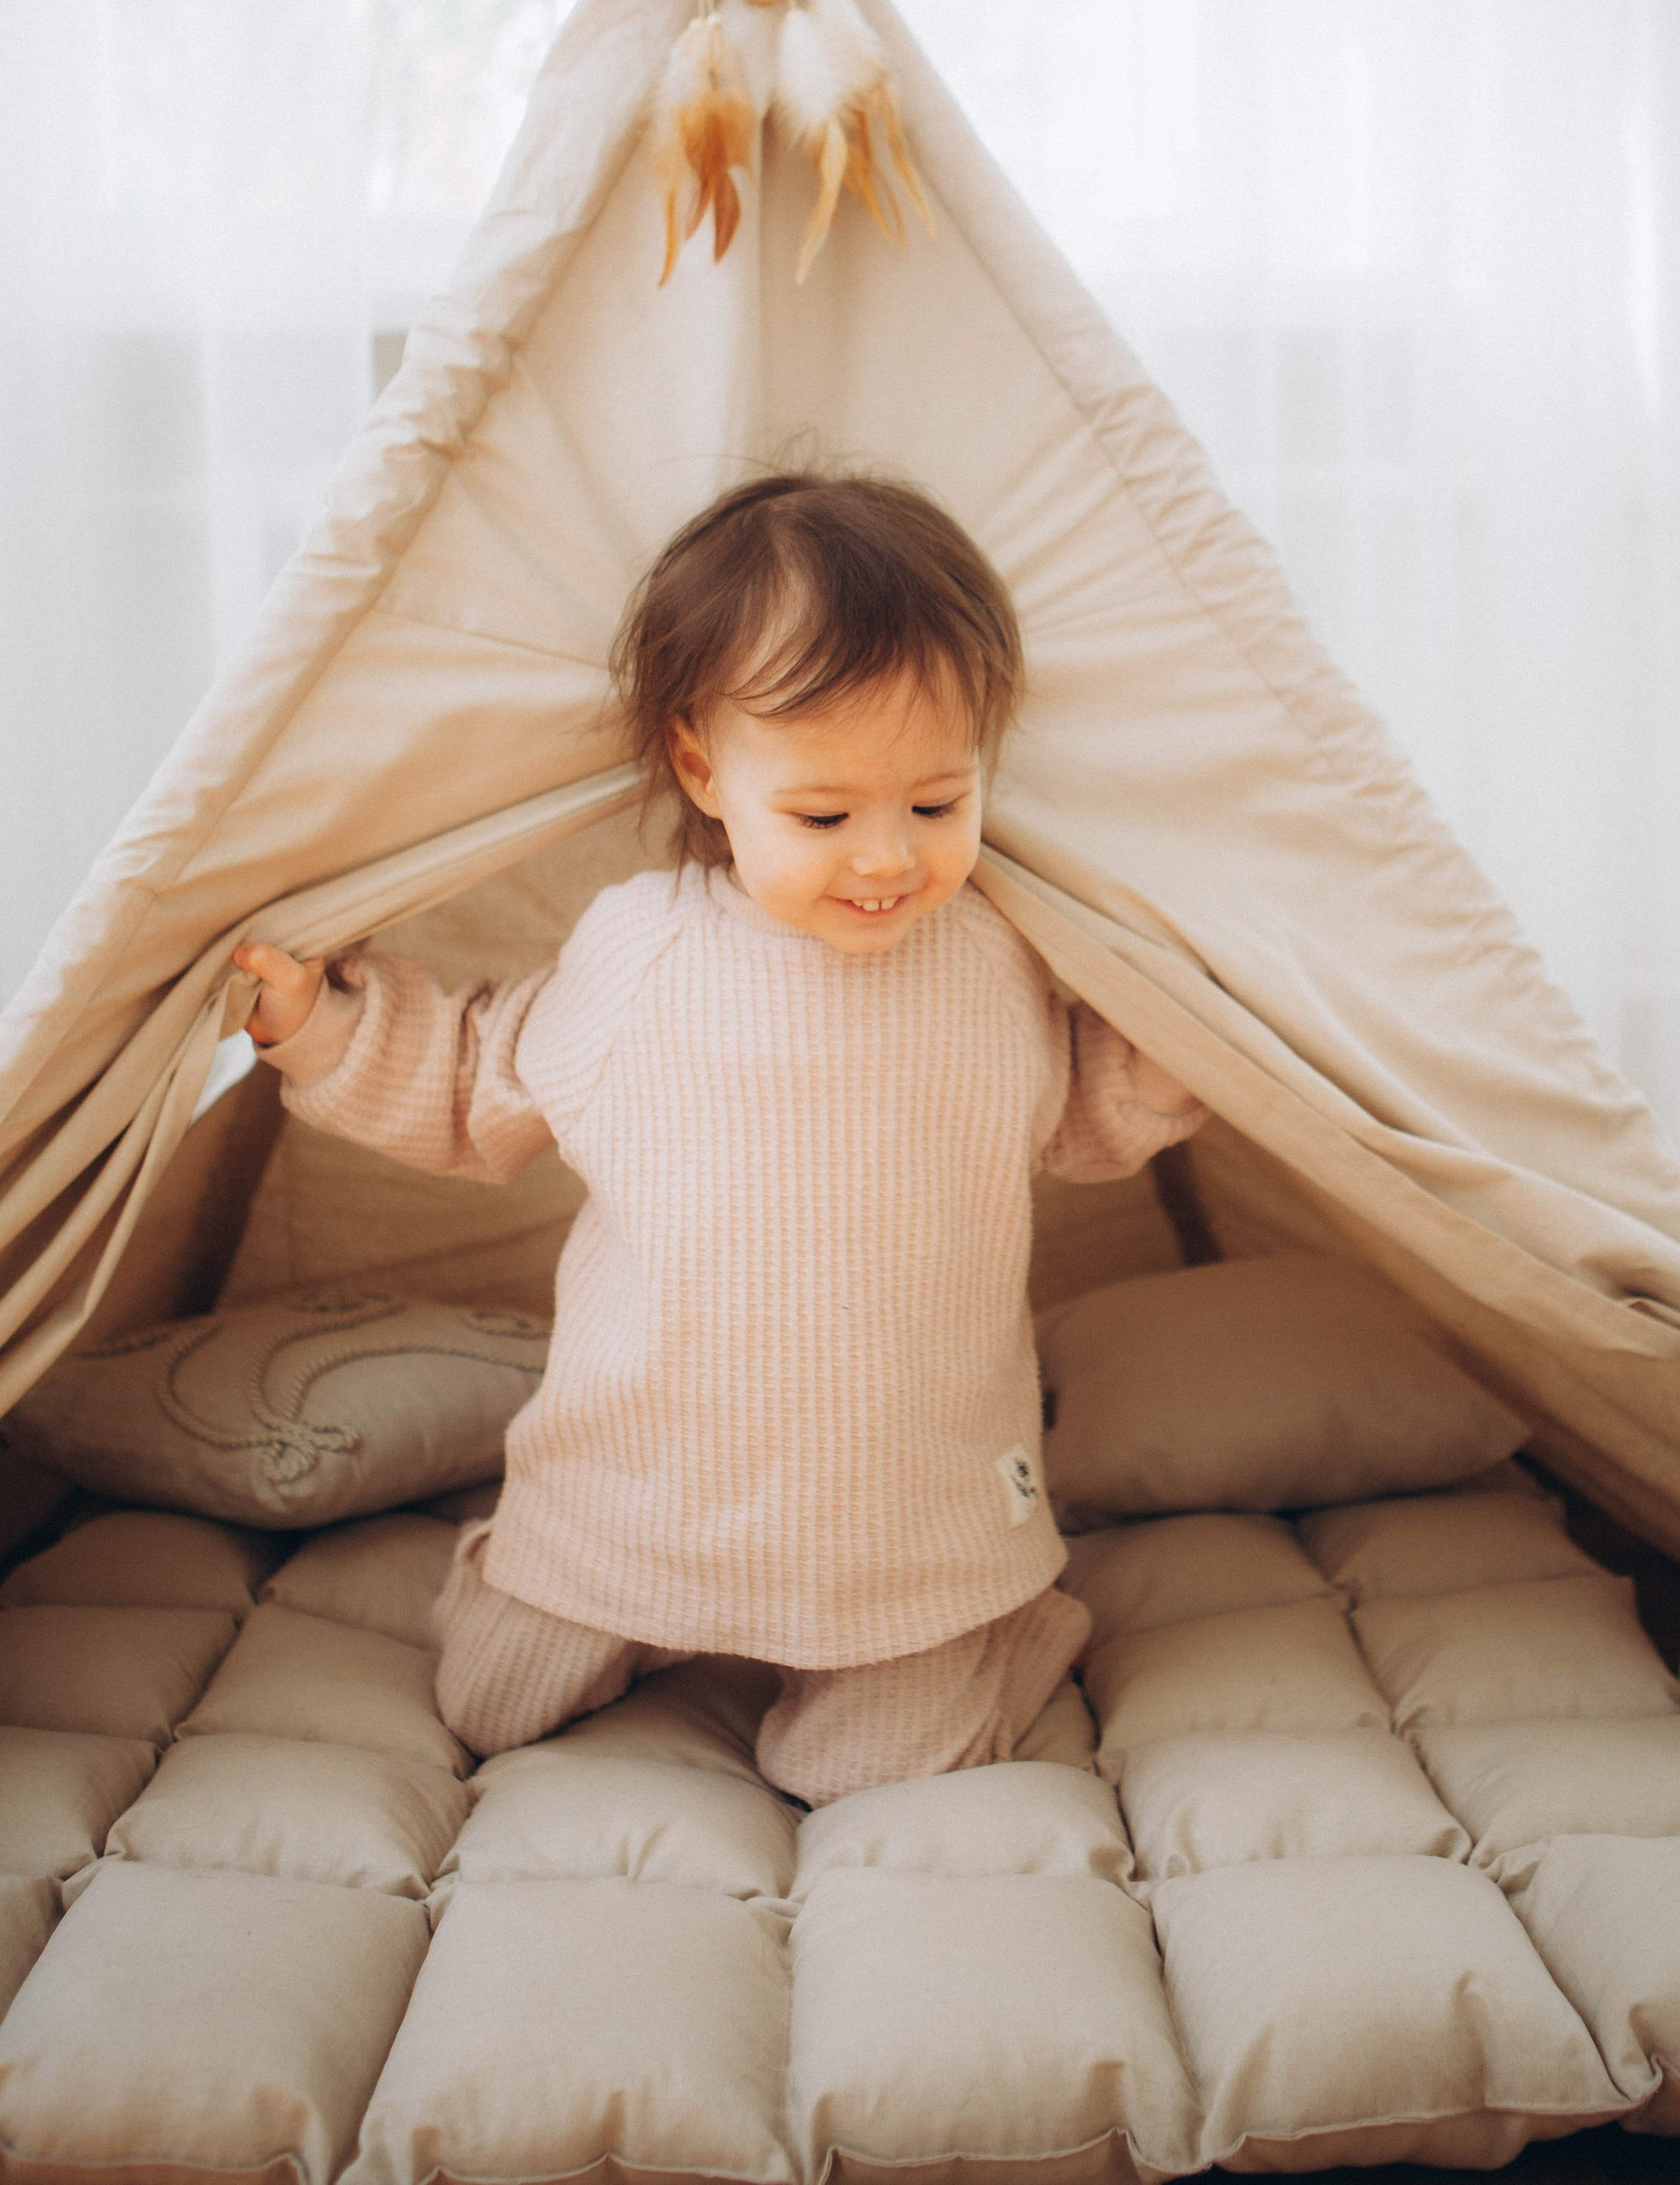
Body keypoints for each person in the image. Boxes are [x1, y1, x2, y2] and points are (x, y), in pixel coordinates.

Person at [235, 470, 1204, 1805]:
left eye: (937, 805)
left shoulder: (987, 958)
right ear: (705, 766)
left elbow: (1080, 1110)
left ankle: (1008, 1620)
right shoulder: (642, 952)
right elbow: (476, 1080)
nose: (887, 860)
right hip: (642, 1483)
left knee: (855, 1770)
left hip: (901, 1507)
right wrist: (320, 1029)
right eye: (824, 816)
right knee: (491, 1703)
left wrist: (1168, 1050)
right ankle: (529, 1565)